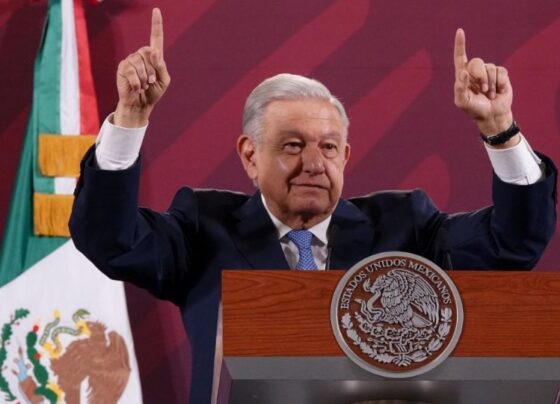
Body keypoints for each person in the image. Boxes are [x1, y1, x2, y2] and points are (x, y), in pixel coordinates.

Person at [70, 8, 556, 404]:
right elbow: (111, 240)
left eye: (328, 147)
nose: (314, 164)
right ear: (250, 156)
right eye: (292, 146)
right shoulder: (203, 227)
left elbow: (512, 243)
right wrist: (129, 120)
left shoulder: (404, 227)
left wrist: (500, 129)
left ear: (345, 157)